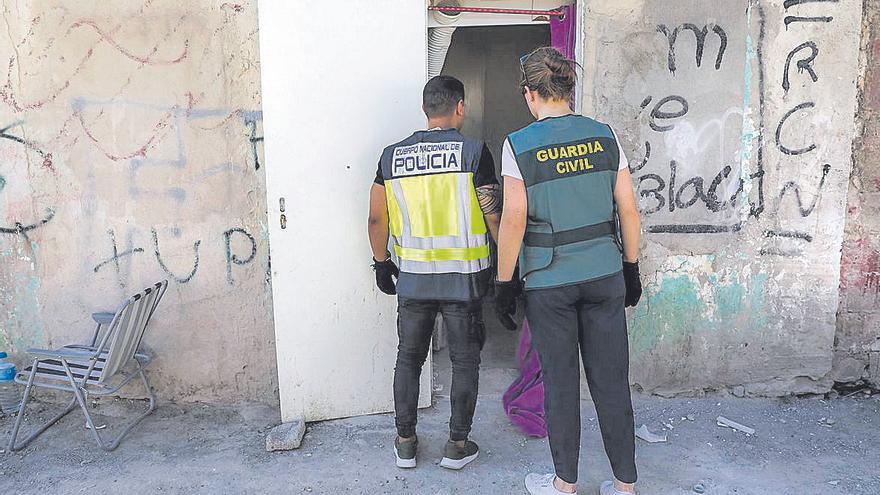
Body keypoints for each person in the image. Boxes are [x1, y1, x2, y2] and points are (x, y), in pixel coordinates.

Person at [494, 47, 644, 495]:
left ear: (529, 94)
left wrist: (505, 283)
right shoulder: (605, 136)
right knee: (612, 384)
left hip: (548, 282)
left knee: (560, 386)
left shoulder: (518, 145)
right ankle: (625, 486)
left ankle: (565, 484)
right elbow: (629, 211)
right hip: (604, 275)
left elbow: (514, 217)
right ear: (569, 90)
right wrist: (631, 268)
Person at [367, 75, 502, 471]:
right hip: (463, 279)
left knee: (408, 359)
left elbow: (377, 217)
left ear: (426, 109)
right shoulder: (474, 152)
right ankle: (457, 446)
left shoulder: (392, 157)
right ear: (459, 106)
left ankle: (405, 443)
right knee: (464, 362)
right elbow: (493, 215)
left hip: (413, 279)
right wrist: (510, 266)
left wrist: (381, 262)